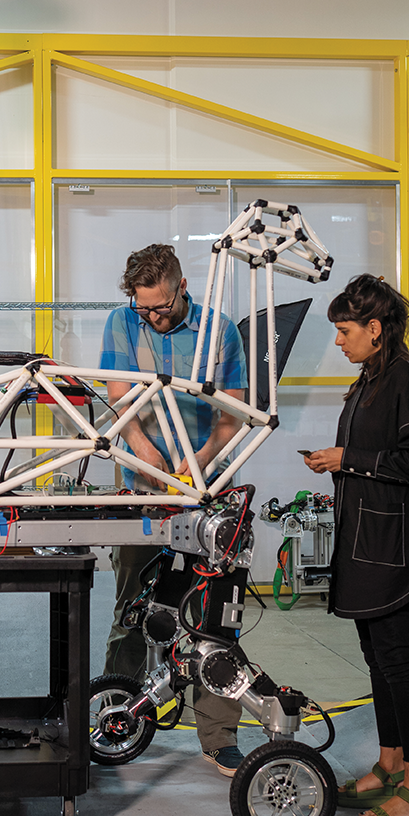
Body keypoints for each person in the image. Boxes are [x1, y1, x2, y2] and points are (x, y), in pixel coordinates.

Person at [305, 273, 409, 816]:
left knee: (397, 659)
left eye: (344, 331)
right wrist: (340, 462)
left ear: (375, 328)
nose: (339, 342)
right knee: (377, 656)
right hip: (369, 545)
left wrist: (351, 458)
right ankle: (391, 761)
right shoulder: (370, 377)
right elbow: (374, 454)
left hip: (396, 550)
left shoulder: (408, 380)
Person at [99, 243, 248, 776]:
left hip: (206, 485)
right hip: (143, 488)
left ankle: (217, 735)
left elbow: (234, 411)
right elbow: (118, 399)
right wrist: (143, 451)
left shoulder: (220, 331)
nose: (153, 317)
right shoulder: (123, 322)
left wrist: (201, 457)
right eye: (144, 308)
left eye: (160, 307)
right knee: (132, 606)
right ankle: (119, 712)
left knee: (214, 616)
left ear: (182, 289)